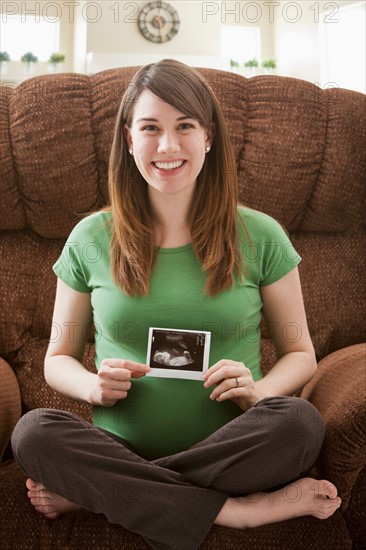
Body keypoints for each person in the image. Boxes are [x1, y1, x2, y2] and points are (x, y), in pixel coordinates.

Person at [11, 59, 341, 550]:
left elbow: (301, 354)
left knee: (300, 423)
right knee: (33, 433)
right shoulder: (89, 238)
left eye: (184, 126)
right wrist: (93, 386)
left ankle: (106, 493)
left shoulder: (263, 236)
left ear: (208, 136)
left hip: (234, 447)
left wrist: (259, 391)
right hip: (119, 447)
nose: (167, 146)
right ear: (128, 139)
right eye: (150, 128)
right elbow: (58, 360)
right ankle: (238, 512)